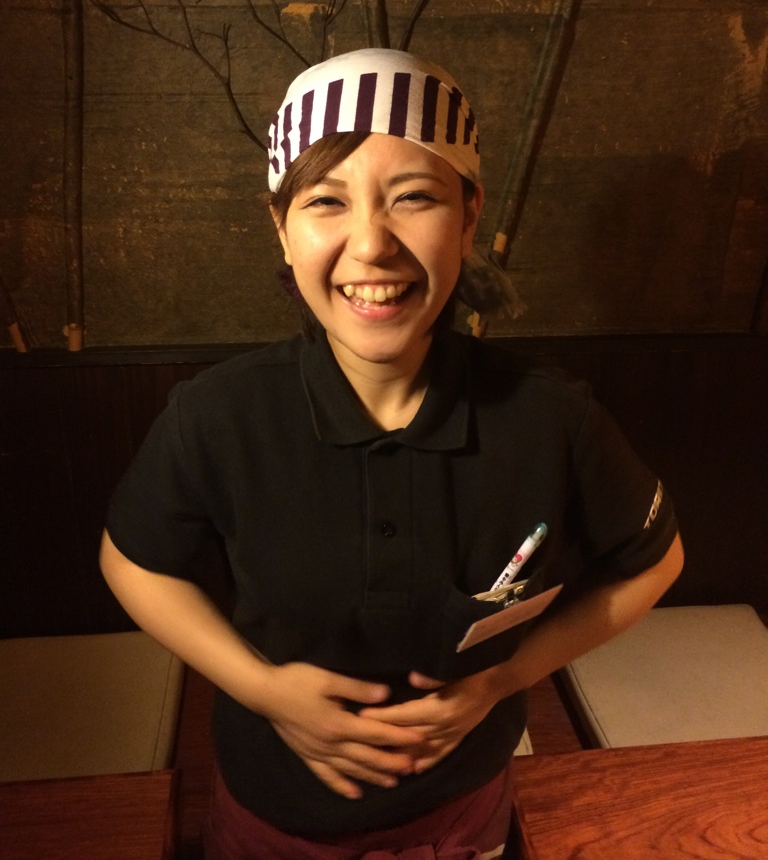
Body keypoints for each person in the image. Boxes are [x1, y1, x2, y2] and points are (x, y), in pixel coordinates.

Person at [100, 48, 684, 860]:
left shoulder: (552, 419)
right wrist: (261, 688)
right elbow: (132, 561)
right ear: (281, 227)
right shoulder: (217, 416)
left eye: (413, 197)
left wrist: (502, 679)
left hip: (464, 815)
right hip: (272, 819)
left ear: (469, 215)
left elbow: (655, 562)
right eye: (326, 201)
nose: (371, 245)